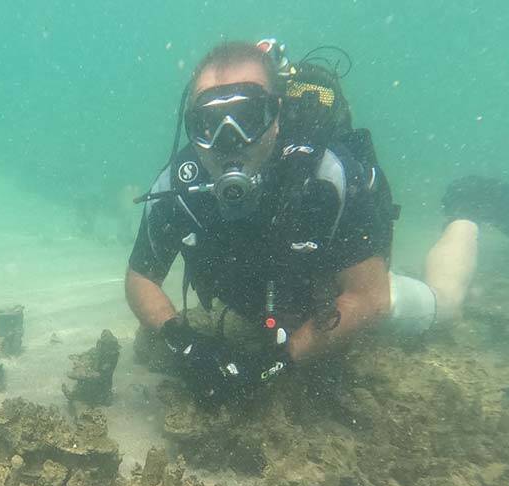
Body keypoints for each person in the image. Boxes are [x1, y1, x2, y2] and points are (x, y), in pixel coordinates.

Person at [125, 40, 477, 405]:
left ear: (276, 117)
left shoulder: (327, 177)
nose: (227, 141)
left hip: (335, 296)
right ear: (191, 130)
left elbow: (369, 297)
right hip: (262, 305)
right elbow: (140, 278)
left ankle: (465, 214)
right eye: (208, 125)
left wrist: (279, 361)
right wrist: (185, 345)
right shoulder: (177, 187)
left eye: (247, 118)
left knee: (447, 307)